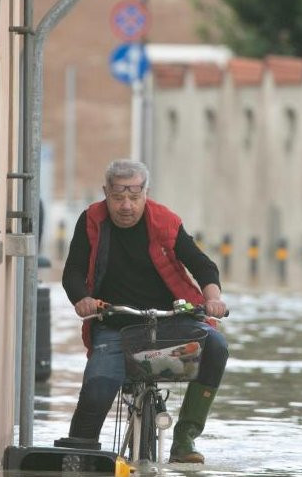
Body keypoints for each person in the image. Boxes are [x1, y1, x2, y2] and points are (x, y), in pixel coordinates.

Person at [62, 158, 229, 464]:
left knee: (216, 346)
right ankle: (78, 455)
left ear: (145, 194)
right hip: (113, 324)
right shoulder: (91, 220)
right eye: (118, 197)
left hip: (169, 322)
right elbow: (72, 272)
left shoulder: (165, 221)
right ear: (105, 193)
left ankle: (185, 437)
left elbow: (203, 266)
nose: (126, 206)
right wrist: (82, 299)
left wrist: (214, 297)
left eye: (134, 197)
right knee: (97, 390)